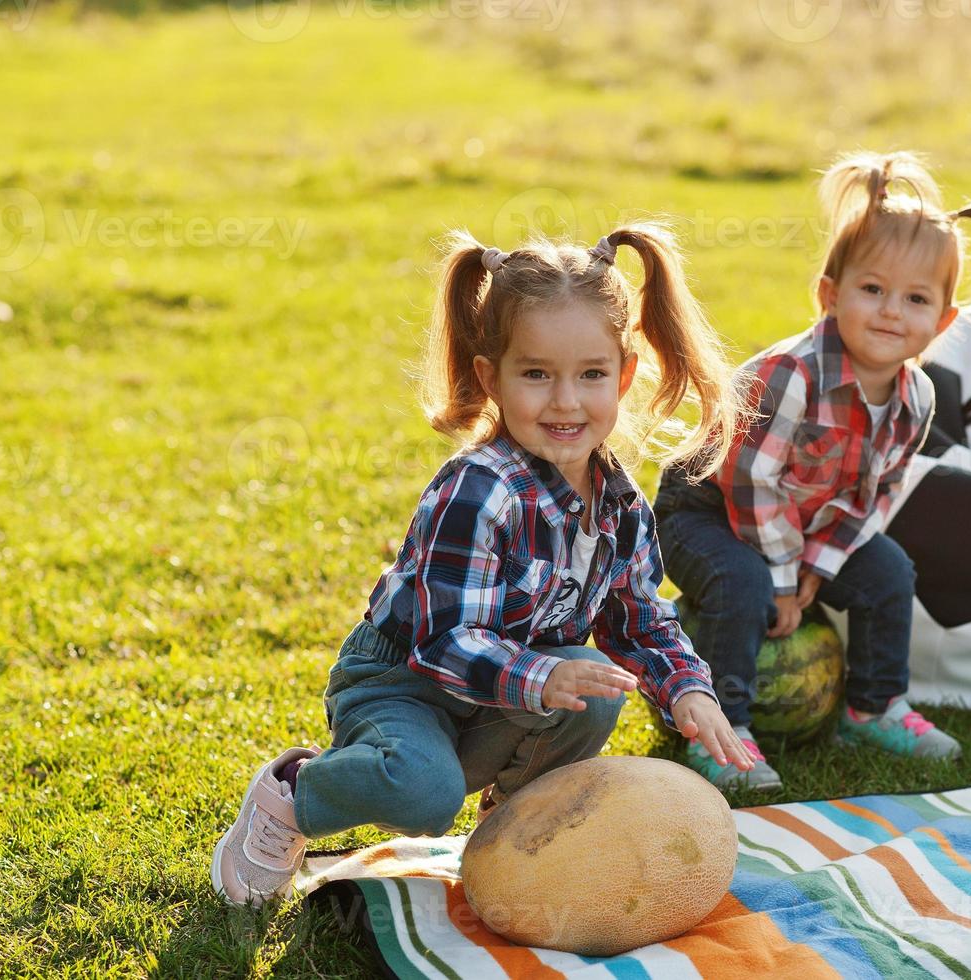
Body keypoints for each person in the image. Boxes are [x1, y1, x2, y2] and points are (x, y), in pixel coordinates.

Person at [212, 223, 755, 906]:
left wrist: (687, 689)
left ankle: (510, 822)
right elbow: (443, 643)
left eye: (590, 375)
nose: (564, 400)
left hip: (503, 695)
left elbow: (640, 620)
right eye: (536, 374)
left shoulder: (618, 503)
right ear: (489, 377)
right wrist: (546, 670)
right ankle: (293, 795)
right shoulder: (478, 488)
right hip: (403, 682)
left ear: (623, 374)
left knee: (595, 692)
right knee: (422, 793)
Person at [654, 151, 971, 789]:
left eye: (915, 299)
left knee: (888, 572)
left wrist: (812, 573)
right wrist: (778, 577)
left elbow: (871, 500)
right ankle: (722, 731)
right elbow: (751, 482)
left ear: (942, 321)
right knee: (741, 582)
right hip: (706, 511)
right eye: (872, 289)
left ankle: (874, 707)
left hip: (796, 524)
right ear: (830, 294)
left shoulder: (915, 398)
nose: (890, 312)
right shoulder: (788, 376)